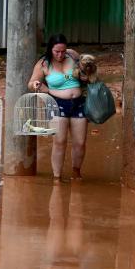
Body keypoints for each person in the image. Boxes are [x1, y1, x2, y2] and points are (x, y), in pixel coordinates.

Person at [28, 34, 88, 182]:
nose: (60, 55)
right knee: (59, 141)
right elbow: (31, 82)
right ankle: (57, 177)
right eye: (57, 52)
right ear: (50, 49)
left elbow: (86, 70)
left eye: (63, 51)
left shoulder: (72, 55)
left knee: (79, 142)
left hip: (79, 103)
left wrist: (85, 74)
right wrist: (36, 85)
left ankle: (76, 171)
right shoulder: (43, 64)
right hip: (57, 103)